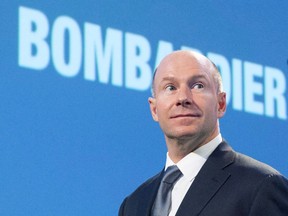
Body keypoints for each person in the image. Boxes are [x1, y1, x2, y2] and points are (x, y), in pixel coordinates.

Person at [118, 50, 288, 216]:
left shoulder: (261, 186)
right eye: (170, 87)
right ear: (154, 109)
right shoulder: (133, 204)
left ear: (220, 104)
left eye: (198, 85)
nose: (182, 98)